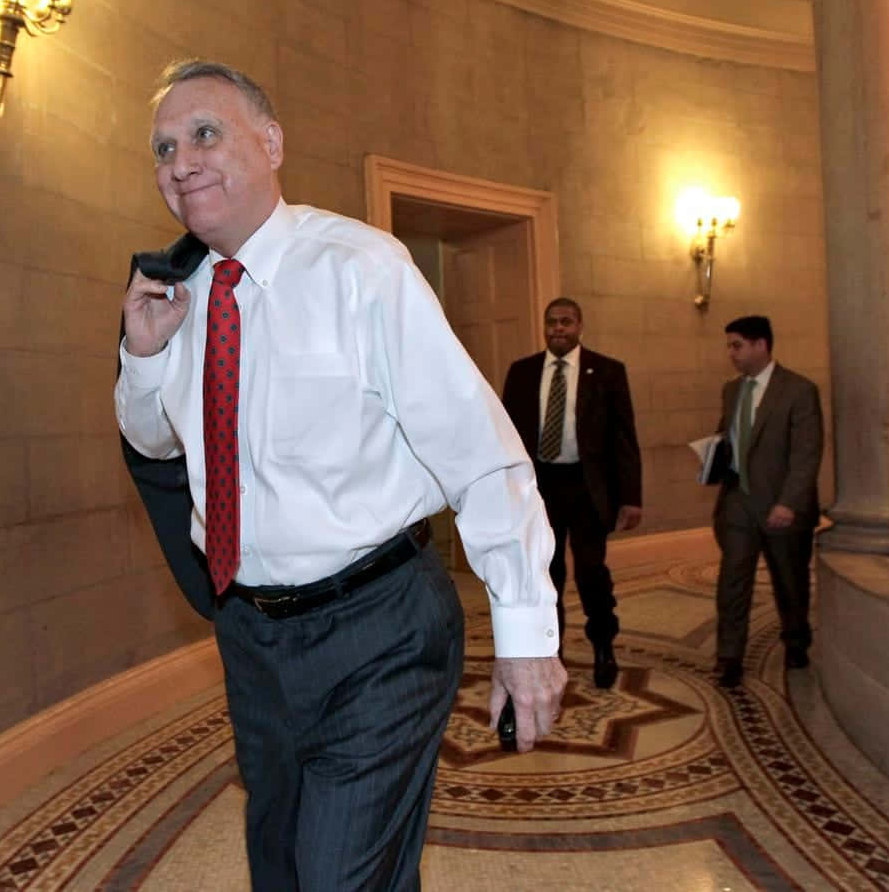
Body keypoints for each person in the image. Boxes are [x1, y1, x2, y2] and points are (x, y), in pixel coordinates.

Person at [115, 58, 567, 891]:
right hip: (251, 636)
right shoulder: (175, 295)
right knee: (285, 866)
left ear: (271, 143)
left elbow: (480, 451)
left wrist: (526, 634)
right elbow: (153, 443)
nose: (181, 162)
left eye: (205, 133)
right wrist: (142, 357)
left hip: (380, 627)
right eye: (164, 148)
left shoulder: (361, 268)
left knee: (338, 875)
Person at [501, 299, 642, 689]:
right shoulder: (522, 372)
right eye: (551, 322)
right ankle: (552, 654)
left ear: (579, 325)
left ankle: (603, 647)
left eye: (566, 322)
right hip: (540, 489)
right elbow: (507, 436)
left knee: (591, 572)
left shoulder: (607, 371)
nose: (558, 329)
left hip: (587, 488)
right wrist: (506, 490)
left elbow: (624, 439)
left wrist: (631, 497)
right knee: (547, 574)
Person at [710, 315, 823, 688]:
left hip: (781, 505)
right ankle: (729, 657)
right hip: (738, 504)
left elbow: (807, 453)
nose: (731, 353)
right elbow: (728, 436)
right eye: (729, 346)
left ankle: (796, 642)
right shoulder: (731, 390)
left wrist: (789, 502)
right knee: (732, 583)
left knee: (790, 582)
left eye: (737, 345)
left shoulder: (799, 390)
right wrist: (713, 455)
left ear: (761, 345)